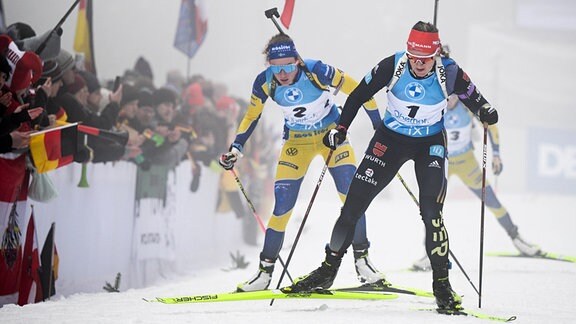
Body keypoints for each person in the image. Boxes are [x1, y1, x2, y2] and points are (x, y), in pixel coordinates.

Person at [283, 21, 499, 311]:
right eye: (414, 57)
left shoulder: (449, 71)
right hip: (389, 142)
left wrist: (486, 111)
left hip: (429, 146)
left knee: (432, 213)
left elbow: (475, 99)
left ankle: (442, 285)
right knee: (352, 207)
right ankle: (327, 270)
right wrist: (342, 128)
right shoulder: (392, 65)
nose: (419, 64)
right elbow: (358, 94)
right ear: (408, 52)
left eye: (426, 59)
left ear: (436, 54)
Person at [218, 33, 385, 292]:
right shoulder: (264, 83)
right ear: (269, 66)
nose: (282, 74)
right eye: (276, 68)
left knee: (352, 197)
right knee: (282, 206)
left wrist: (377, 124)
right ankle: (264, 273)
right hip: (296, 142)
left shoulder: (317, 70)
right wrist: (236, 147)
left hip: (332, 136)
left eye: (287, 66)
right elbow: (252, 116)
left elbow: (361, 92)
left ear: (297, 61)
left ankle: (363, 262)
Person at [411, 94, 540, 271]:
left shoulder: (468, 108)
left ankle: (517, 238)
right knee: (432, 208)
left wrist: (496, 154)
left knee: (492, 201)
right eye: (446, 96)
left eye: (453, 96)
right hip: (441, 161)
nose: (450, 100)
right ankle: (430, 254)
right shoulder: (434, 105)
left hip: (466, 162)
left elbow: (492, 128)